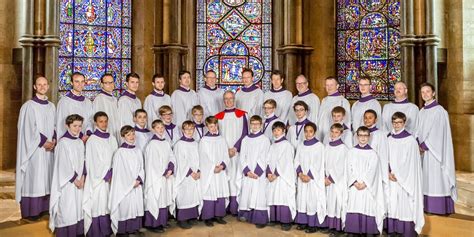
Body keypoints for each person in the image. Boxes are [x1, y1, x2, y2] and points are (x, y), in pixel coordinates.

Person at [16, 76, 56, 220]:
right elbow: (27, 129)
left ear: (48, 86)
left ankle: (45, 208)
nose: (42, 87)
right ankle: (32, 211)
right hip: (35, 150)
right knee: (34, 178)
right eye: (39, 85)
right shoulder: (28, 106)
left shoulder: (52, 106)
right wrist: (44, 141)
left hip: (49, 149)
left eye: (45, 84)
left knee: (47, 178)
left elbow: (55, 126)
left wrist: (54, 140)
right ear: (34, 87)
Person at [416, 83, 457, 215]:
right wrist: (417, 143)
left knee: (437, 179)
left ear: (433, 93)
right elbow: (417, 130)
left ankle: (440, 209)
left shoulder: (440, 111)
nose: (425, 94)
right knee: (426, 180)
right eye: (423, 92)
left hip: (435, 153)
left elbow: (438, 134)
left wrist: (423, 146)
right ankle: (427, 208)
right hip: (423, 153)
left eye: (428, 91)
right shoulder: (422, 111)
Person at [386, 112, 424, 237]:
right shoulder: (389, 139)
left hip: (406, 179)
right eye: (394, 122)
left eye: (399, 122)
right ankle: (393, 230)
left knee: (406, 204)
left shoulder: (410, 140)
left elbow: (412, 162)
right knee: (392, 203)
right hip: (391, 177)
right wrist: (388, 171)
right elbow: (385, 157)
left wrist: (399, 175)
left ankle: (407, 231)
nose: (397, 125)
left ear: (404, 123)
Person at [49, 114, 86, 236]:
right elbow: (63, 164)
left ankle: (77, 232)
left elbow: (84, 161)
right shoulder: (63, 143)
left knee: (78, 208)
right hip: (68, 183)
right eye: (74, 126)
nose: (77, 129)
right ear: (67, 125)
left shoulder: (80, 142)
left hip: (80, 181)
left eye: (80, 126)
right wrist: (75, 179)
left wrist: (83, 178)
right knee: (67, 208)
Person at [345, 126, 384, 236]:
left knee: (367, 206)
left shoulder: (373, 154)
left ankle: (368, 230)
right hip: (354, 185)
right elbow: (348, 168)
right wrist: (354, 182)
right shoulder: (351, 152)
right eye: (360, 135)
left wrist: (365, 183)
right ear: (357, 136)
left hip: (367, 187)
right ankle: (353, 230)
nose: (363, 138)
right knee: (354, 205)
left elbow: (373, 170)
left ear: (369, 137)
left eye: (365, 135)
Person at [83, 112, 118, 237]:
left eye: (105, 121)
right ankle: (96, 232)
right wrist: (105, 174)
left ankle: (107, 230)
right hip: (98, 179)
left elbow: (116, 157)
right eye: (101, 121)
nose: (104, 124)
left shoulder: (112, 138)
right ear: (95, 123)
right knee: (98, 203)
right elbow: (92, 161)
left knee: (108, 203)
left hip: (111, 177)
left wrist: (113, 171)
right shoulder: (92, 140)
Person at [215, 91, 248, 215]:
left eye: (231, 98)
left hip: (237, 153)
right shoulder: (218, 117)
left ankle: (234, 207)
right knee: (224, 179)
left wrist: (235, 148)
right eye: (226, 99)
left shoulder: (243, 115)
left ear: (234, 99)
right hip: (224, 154)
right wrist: (225, 151)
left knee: (235, 178)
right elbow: (217, 136)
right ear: (223, 101)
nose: (228, 101)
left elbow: (245, 133)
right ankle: (224, 208)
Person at [109, 126, 145, 236]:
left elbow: (141, 167)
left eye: (133, 134)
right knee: (125, 207)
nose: (132, 137)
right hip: (125, 187)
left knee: (135, 206)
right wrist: (131, 183)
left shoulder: (138, 150)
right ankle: (122, 231)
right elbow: (119, 172)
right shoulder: (120, 152)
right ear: (123, 136)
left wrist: (139, 179)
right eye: (128, 134)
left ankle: (134, 228)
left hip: (136, 184)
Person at [238, 115, 271, 228]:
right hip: (248, 173)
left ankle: (259, 219)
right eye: (253, 124)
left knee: (259, 195)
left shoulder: (265, 139)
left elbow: (265, 156)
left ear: (261, 125)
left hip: (258, 174)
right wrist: (247, 171)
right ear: (250, 125)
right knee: (247, 192)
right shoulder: (245, 139)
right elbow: (242, 156)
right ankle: (246, 215)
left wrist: (256, 172)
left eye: (257, 124)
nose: (255, 126)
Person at [143, 119, 176, 233]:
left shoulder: (166, 142)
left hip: (165, 176)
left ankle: (162, 222)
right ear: (153, 129)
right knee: (155, 198)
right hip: (156, 177)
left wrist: (170, 168)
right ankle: (152, 224)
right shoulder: (152, 144)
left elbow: (171, 156)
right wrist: (164, 172)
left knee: (163, 199)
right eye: (158, 128)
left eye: (162, 127)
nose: (161, 130)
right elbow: (152, 163)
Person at [294, 122, 327, 233]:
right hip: (302, 177)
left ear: (315, 132)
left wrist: (309, 175)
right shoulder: (301, 145)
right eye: (306, 131)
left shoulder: (319, 146)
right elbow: (297, 160)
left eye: (310, 131)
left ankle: (312, 224)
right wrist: (300, 174)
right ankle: (303, 222)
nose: (308, 134)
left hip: (313, 179)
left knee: (312, 200)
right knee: (302, 199)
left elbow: (319, 163)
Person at [199, 116, 230, 227]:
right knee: (210, 191)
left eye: (215, 125)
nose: (213, 128)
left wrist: (222, 166)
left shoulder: (221, 139)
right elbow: (203, 157)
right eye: (210, 126)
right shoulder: (204, 140)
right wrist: (213, 167)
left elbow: (226, 155)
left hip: (220, 171)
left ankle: (219, 215)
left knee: (220, 191)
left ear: (217, 125)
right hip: (210, 172)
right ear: (207, 127)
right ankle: (208, 217)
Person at [266, 121, 296, 231]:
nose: (276, 132)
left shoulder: (287, 145)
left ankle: (285, 221)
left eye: (278, 130)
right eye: (274, 130)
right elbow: (268, 160)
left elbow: (286, 162)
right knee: (274, 196)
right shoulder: (273, 145)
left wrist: (276, 174)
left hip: (282, 177)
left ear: (284, 131)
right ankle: (274, 219)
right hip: (272, 176)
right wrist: (269, 172)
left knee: (283, 196)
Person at [173, 121, 202, 229]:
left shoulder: (196, 143)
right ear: (183, 130)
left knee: (193, 195)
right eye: (187, 129)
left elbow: (200, 158)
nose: (190, 131)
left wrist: (198, 171)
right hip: (185, 175)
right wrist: (191, 173)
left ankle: (192, 217)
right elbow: (181, 162)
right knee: (184, 196)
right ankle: (182, 219)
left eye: (191, 129)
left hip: (195, 174)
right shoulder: (179, 144)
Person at [324, 123, 349, 236]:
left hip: (337, 181)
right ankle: (330, 225)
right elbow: (323, 161)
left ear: (341, 133)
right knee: (329, 203)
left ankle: (338, 228)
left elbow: (341, 166)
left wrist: (330, 178)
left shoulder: (343, 148)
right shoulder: (327, 146)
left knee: (337, 202)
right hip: (326, 179)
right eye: (332, 132)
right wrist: (324, 175)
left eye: (336, 132)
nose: (333, 134)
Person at [56, 72, 93, 142]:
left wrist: (88, 134)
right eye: (77, 82)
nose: (80, 84)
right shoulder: (64, 101)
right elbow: (62, 123)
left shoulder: (87, 102)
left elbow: (90, 121)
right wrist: (81, 136)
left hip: (85, 140)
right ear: (71, 83)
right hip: (69, 141)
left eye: (82, 82)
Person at [92, 73, 120, 140]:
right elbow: (97, 119)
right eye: (106, 83)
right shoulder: (99, 99)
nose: (110, 85)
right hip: (104, 133)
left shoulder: (114, 99)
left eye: (111, 82)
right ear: (102, 84)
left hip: (115, 131)